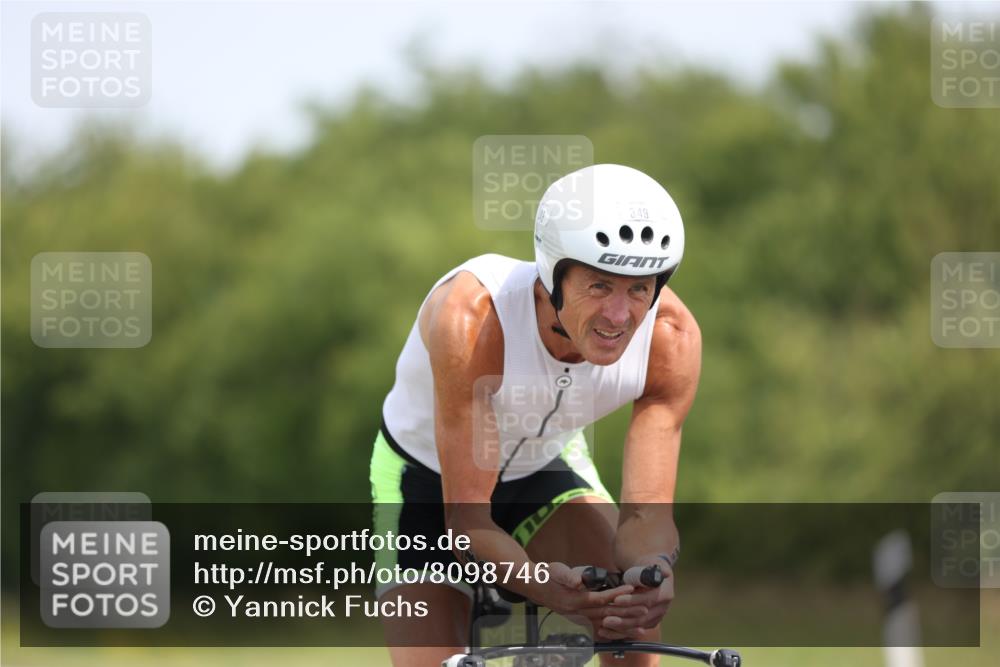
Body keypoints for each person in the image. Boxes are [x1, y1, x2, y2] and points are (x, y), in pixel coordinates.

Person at [370, 163, 701, 667]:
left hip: (545, 467)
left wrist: (653, 569)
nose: (620, 315)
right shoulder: (475, 319)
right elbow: (467, 521)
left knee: (631, 617)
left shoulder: (670, 339)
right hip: (424, 478)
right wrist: (546, 587)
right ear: (553, 275)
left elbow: (645, 518)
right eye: (599, 285)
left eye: (639, 288)